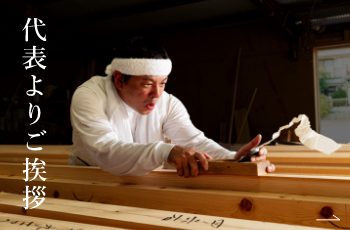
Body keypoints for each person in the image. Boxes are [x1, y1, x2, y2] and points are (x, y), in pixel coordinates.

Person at [69, 37, 275, 177]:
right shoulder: (90, 95)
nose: (157, 94)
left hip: (145, 183)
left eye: (163, 83)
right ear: (120, 80)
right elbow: (106, 151)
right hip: (91, 181)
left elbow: (194, 141)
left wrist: (232, 158)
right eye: (147, 84)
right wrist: (165, 151)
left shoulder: (167, 103)